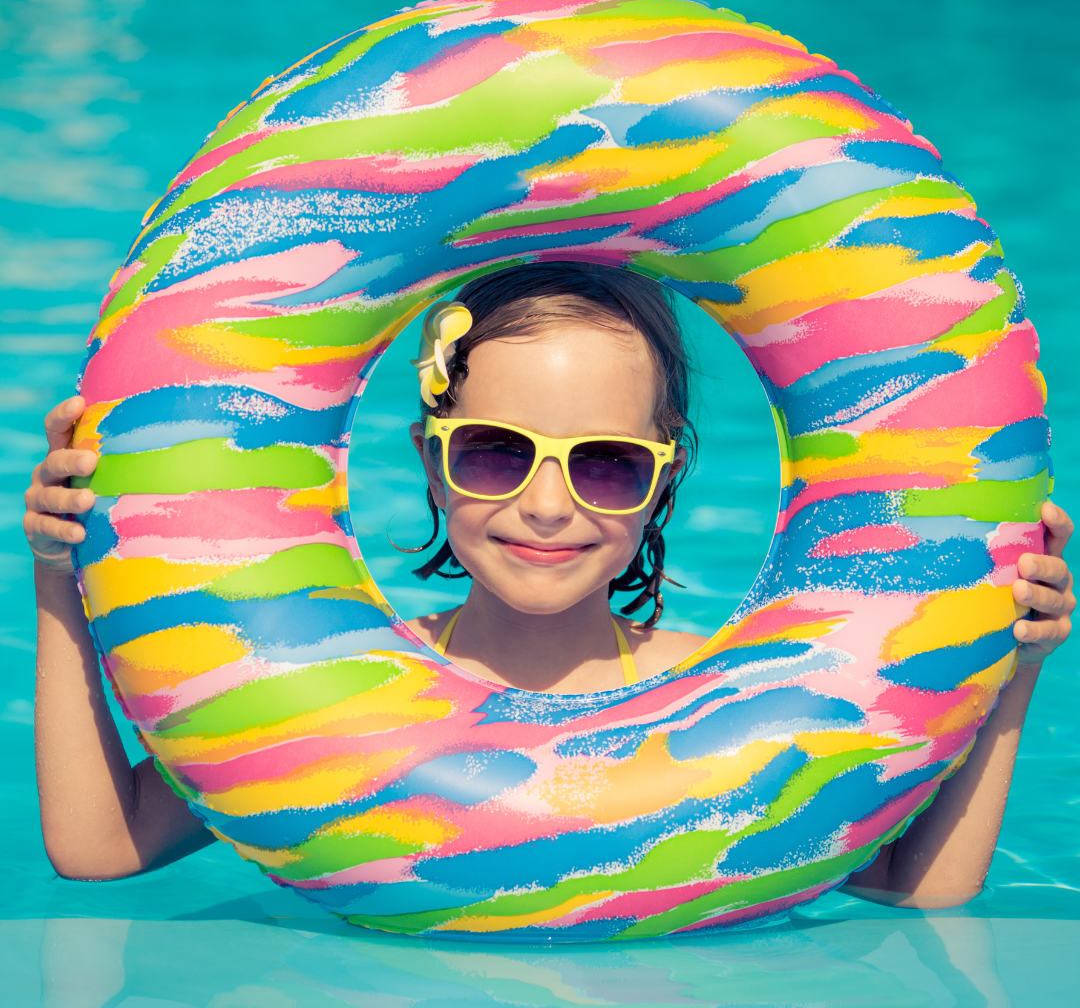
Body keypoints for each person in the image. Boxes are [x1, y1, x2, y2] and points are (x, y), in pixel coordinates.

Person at [24, 262, 1075, 911]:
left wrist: (1008, 668)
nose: (545, 505)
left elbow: (913, 889)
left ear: (664, 476)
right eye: (495, 451)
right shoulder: (336, 695)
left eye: (607, 463)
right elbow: (98, 850)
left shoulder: (730, 698)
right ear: (430, 458)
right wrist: (59, 581)